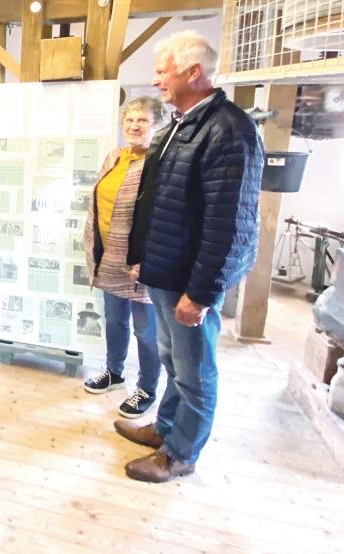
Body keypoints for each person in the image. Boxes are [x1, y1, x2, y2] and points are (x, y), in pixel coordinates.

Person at [116, 31, 263, 483]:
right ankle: (166, 430)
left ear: (193, 72)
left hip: (190, 280)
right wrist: (142, 256)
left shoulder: (229, 130)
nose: (156, 80)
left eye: (163, 71)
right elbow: (158, 199)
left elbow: (227, 224)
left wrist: (199, 294)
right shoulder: (181, 124)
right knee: (173, 361)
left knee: (195, 371)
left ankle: (181, 454)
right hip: (167, 271)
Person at [81, 96, 167, 419]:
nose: (134, 126)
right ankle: (114, 372)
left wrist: (149, 259)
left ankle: (146, 387)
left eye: (142, 121)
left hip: (140, 264)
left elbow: (160, 216)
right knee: (114, 320)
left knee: (146, 330)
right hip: (109, 259)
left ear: (156, 125)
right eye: (129, 121)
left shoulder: (160, 163)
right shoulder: (114, 157)